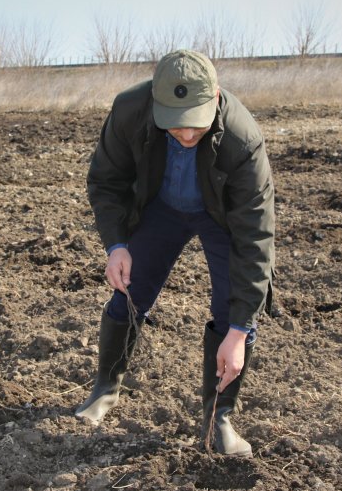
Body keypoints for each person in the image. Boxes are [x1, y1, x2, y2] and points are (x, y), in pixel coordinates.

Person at [81, 49, 275, 457]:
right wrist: (116, 245)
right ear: (156, 101)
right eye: (176, 128)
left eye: (197, 128)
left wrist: (239, 331)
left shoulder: (242, 140)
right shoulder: (129, 112)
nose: (187, 136)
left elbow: (255, 241)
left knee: (231, 311)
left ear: (216, 97)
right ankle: (105, 388)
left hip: (218, 216)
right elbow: (106, 180)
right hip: (161, 208)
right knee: (131, 290)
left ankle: (218, 418)